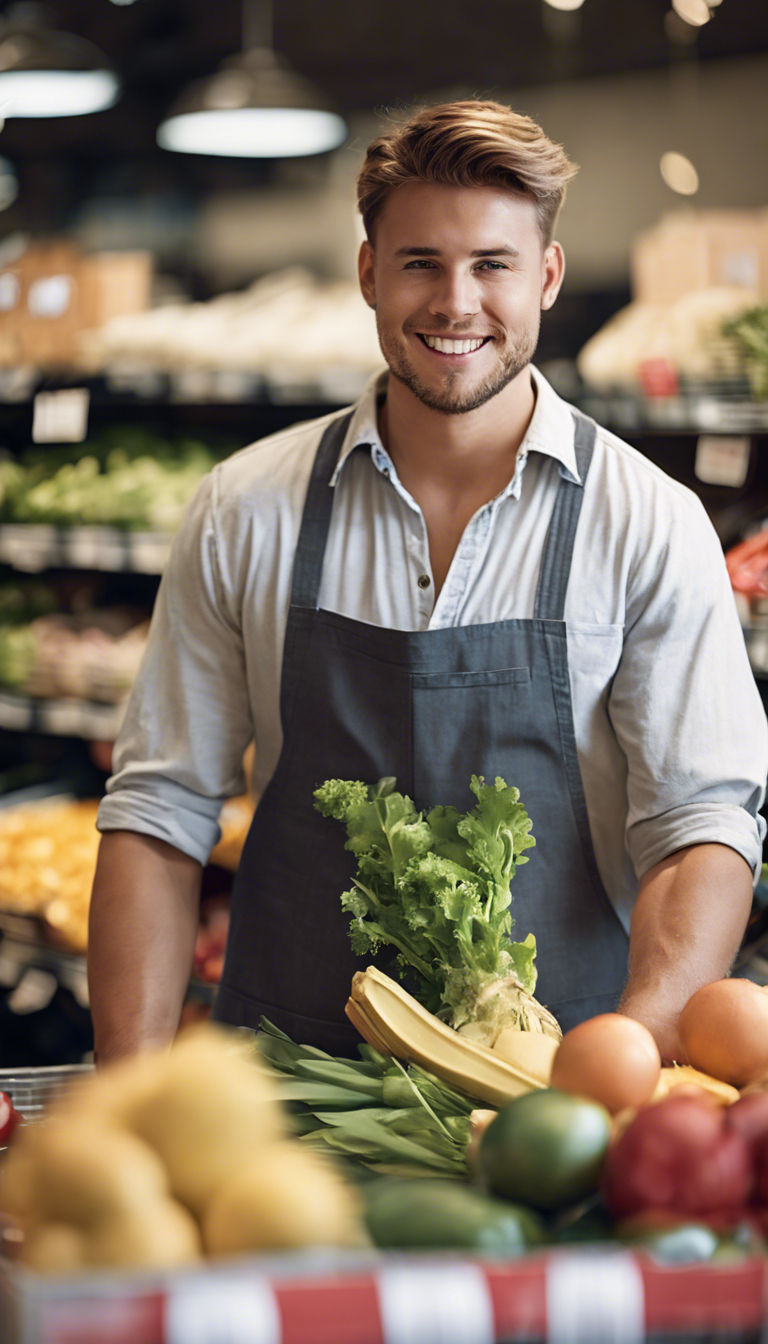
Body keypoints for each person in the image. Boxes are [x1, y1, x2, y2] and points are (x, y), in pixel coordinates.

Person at [88, 99, 768, 1067]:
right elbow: (158, 816)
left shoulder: (646, 521)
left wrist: (629, 1063)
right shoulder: (245, 509)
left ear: (547, 275)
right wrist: (134, 1083)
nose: (456, 303)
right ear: (369, 272)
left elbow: (699, 828)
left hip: (552, 1099)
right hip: (289, 1083)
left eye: (492, 264)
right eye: (420, 264)